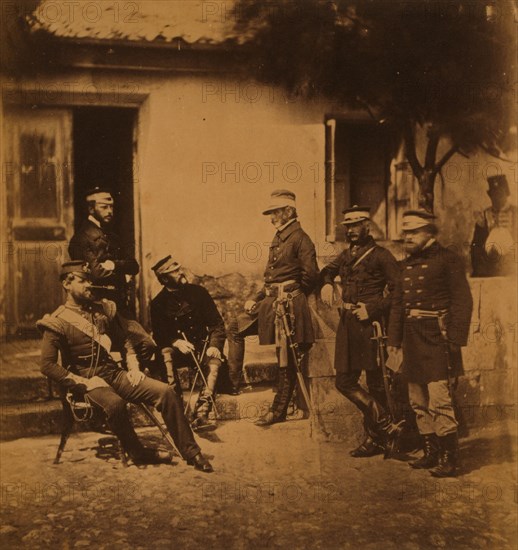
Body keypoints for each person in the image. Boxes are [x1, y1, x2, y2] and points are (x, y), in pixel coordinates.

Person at [37, 260, 213, 472]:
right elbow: (46, 365)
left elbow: (125, 341)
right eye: (83, 281)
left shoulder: (103, 310)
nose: (89, 286)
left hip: (114, 373)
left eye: (90, 281)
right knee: (115, 404)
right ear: (67, 283)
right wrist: (82, 382)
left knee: (165, 391)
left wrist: (133, 366)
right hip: (87, 381)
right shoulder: (56, 321)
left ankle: (192, 452)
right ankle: (138, 452)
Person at [388, 210, 473, 477]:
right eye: (405, 233)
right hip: (412, 336)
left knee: (439, 399)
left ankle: (451, 458)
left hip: (439, 336)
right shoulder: (406, 264)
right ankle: (431, 451)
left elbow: (463, 301)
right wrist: (394, 341)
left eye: (413, 232)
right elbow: (398, 305)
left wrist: (456, 339)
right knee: (417, 399)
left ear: (428, 233)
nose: (407, 237)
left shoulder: (448, 260)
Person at [320, 205, 401, 457]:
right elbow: (327, 270)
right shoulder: (346, 255)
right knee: (344, 381)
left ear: (367, 226)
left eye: (356, 225)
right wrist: (325, 284)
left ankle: (376, 439)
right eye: (348, 226)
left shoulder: (382, 255)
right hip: (348, 325)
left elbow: (400, 292)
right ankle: (386, 423)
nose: (351, 230)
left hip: (371, 326)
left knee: (376, 383)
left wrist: (373, 308)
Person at [241, 189, 319, 426]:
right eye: (271, 213)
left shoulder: (301, 239)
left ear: (288, 211)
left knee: (287, 359)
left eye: (275, 212)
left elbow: (311, 276)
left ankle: (278, 410)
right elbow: (270, 276)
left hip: (289, 306)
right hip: (271, 303)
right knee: (236, 326)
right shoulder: (280, 237)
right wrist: (257, 296)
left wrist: (292, 294)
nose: (271, 217)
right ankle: (232, 383)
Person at [150, 255, 226, 431]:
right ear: (164, 279)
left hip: (202, 348)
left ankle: (202, 414)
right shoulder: (158, 304)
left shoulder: (199, 293)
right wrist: (176, 342)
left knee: (215, 364)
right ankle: (177, 411)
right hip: (178, 352)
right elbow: (159, 336)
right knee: (165, 354)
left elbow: (217, 324)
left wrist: (214, 345)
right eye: (174, 272)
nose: (180, 272)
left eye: (179, 269)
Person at [68, 187, 139, 312]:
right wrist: (123, 274)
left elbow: (134, 266)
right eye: (104, 207)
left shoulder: (113, 236)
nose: (110, 211)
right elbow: (96, 274)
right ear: (91, 209)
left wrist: (112, 265)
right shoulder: (81, 239)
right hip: (97, 306)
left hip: (118, 303)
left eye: (111, 207)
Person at [471, 175, 517, 277]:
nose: (497, 197)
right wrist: (479, 269)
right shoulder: (484, 216)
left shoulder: (515, 213)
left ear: (506, 193)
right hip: (489, 267)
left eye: (500, 193)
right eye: (494, 194)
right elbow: (476, 245)